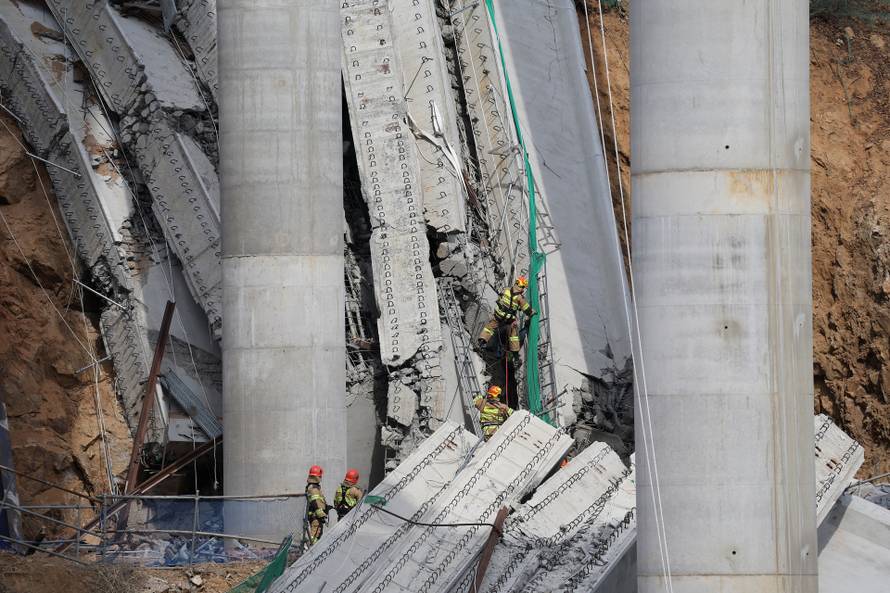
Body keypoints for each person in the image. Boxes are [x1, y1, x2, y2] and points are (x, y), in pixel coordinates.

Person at [477, 276, 536, 360]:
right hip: (508, 320)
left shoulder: (506, 289)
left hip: (498, 315)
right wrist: (531, 312)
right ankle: (515, 355)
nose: (523, 290)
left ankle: (481, 342)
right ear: (521, 287)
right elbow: (526, 309)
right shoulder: (519, 297)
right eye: (523, 288)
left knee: (489, 328)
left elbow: (501, 299)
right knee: (513, 335)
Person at [304, 465, 328, 547]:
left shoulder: (310, 487)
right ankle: (309, 550)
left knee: (315, 534)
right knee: (315, 535)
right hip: (316, 517)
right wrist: (322, 515)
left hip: (313, 515)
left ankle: (310, 548)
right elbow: (315, 503)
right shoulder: (314, 489)